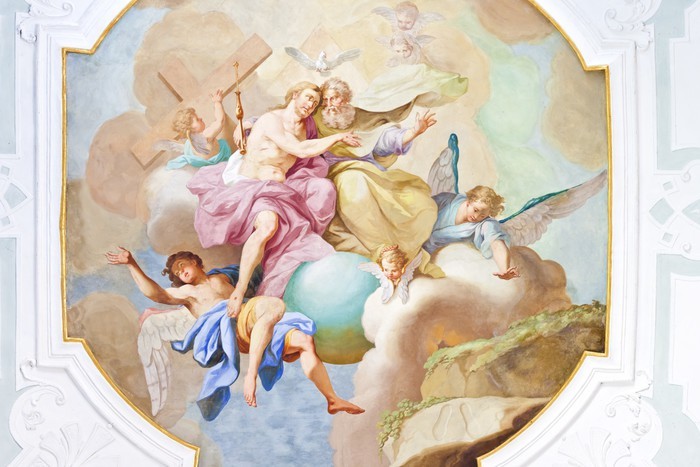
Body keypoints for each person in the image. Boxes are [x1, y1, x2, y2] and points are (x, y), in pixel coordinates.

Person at [105, 247, 364, 419]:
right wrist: (132, 264)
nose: (181, 273)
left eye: (182, 265)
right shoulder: (188, 293)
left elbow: (255, 270)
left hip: (256, 323)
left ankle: (332, 399)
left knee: (304, 341)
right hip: (236, 326)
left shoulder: (223, 278)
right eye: (177, 273)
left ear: (195, 261)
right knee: (274, 305)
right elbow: (156, 293)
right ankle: (251, 376)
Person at [187, 81, 361, 318]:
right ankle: (239, 291)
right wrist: (338, 137)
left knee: (324, 189)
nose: (311, 105)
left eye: (315, 103)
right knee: (268, 226)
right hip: (252, 188)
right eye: (308, 98)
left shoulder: (307, 127)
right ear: (295, 95)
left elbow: (308, 147)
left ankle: (301, 250)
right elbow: (299, 149)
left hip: (280, 189)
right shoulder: (270, 120)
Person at [314, 77, 443, 278]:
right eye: (325, 100)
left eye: (334, 98)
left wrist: (413, 132)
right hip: (337, 174)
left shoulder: (361, 118)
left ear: (345, 98)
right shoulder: (316, 122)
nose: (329, 104)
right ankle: (383, 249)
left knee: (420, 205)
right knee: (354, 185)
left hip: (371, 173)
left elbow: (384, 139)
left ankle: (399, 254)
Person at [424, 186, 520, 280]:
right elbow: (421, 209)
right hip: (417, 245)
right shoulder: (447, 200)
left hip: (436, 262)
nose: (476, 216)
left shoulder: (486, 224)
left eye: (482, 215)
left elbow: (496, 244)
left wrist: (504, 269)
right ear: (468, 202)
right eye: (475, 210)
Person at [164, 89, 236, 170]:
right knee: (224, 144)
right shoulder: (205, 136)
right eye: (197, 119)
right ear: (191, 129)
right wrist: (217, 102)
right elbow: (220, 121)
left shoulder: (189, 143)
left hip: (207, 167)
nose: (200, 118)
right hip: (220, 163)